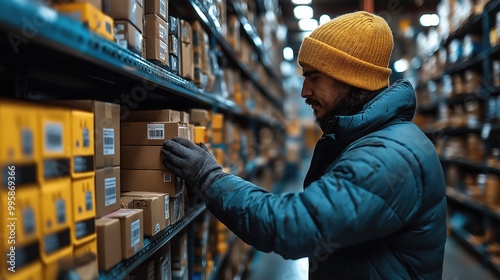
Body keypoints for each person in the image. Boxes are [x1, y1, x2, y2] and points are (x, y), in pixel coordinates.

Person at [161, 11, 447, 279]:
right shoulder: (373, 139)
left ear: (350, 78)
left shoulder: (390, 156)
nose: (304, 92)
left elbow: (295, 224)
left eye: (314, 77)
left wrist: (209, 179)